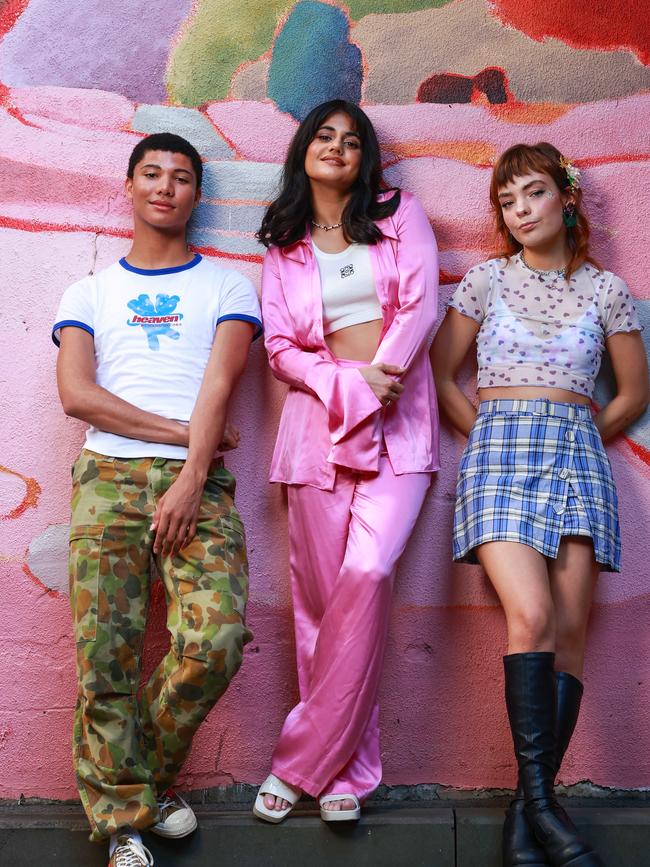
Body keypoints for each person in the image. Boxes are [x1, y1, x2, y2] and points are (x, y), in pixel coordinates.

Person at [430, 142, 648, 867]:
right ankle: (550, 809)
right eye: (506, 200)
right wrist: (486, 434)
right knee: (531, 617)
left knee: (572, 629)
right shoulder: (486, 281)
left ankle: (528, 821)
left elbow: (633, 392)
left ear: (566, 197)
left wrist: (582, 433)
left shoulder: (607, 290)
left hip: (578, 456)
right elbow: (442, 372)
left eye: (532, 194)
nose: (520, 211)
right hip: (498, 456)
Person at [53, 132, 262, 867]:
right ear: (130, 186)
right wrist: (181, 434)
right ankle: (125, 824)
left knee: (216, 640)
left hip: (196, 482)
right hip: (106, 480)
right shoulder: (90, 291)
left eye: (181, 177)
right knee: (104, 658)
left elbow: (219, 387)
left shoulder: (228, 287)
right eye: (152, 174)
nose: (166, 187)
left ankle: (130, 781)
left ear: (197, 196)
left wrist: (189, 471)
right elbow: (79, 394)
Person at [252, 99, 440, 823]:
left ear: (367, 158)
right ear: (304, 149)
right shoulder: (284, 239)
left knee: (367, 575)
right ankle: (345, 774)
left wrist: (377, 382)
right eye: (324, 136)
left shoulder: (400, 213)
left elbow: (420, 311)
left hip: (400, 432)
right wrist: (346, 382)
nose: (337, 146)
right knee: (320, 608)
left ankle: (299, 761)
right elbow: (279, 349)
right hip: (313, 441)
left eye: (351, 140)